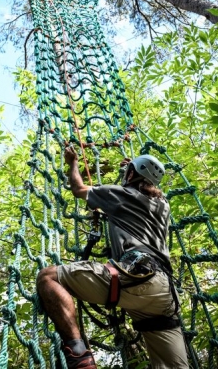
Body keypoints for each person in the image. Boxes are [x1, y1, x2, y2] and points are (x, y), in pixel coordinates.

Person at [36, 146, 189, 369]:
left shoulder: (121, 195)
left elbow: (78, 189)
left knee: (48, 277)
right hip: (164, 293)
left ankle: (79, 358)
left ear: (131, 175)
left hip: (135, 278)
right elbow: (136, 195)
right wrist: (129, 171)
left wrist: (73, 163)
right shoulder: (163, 205)